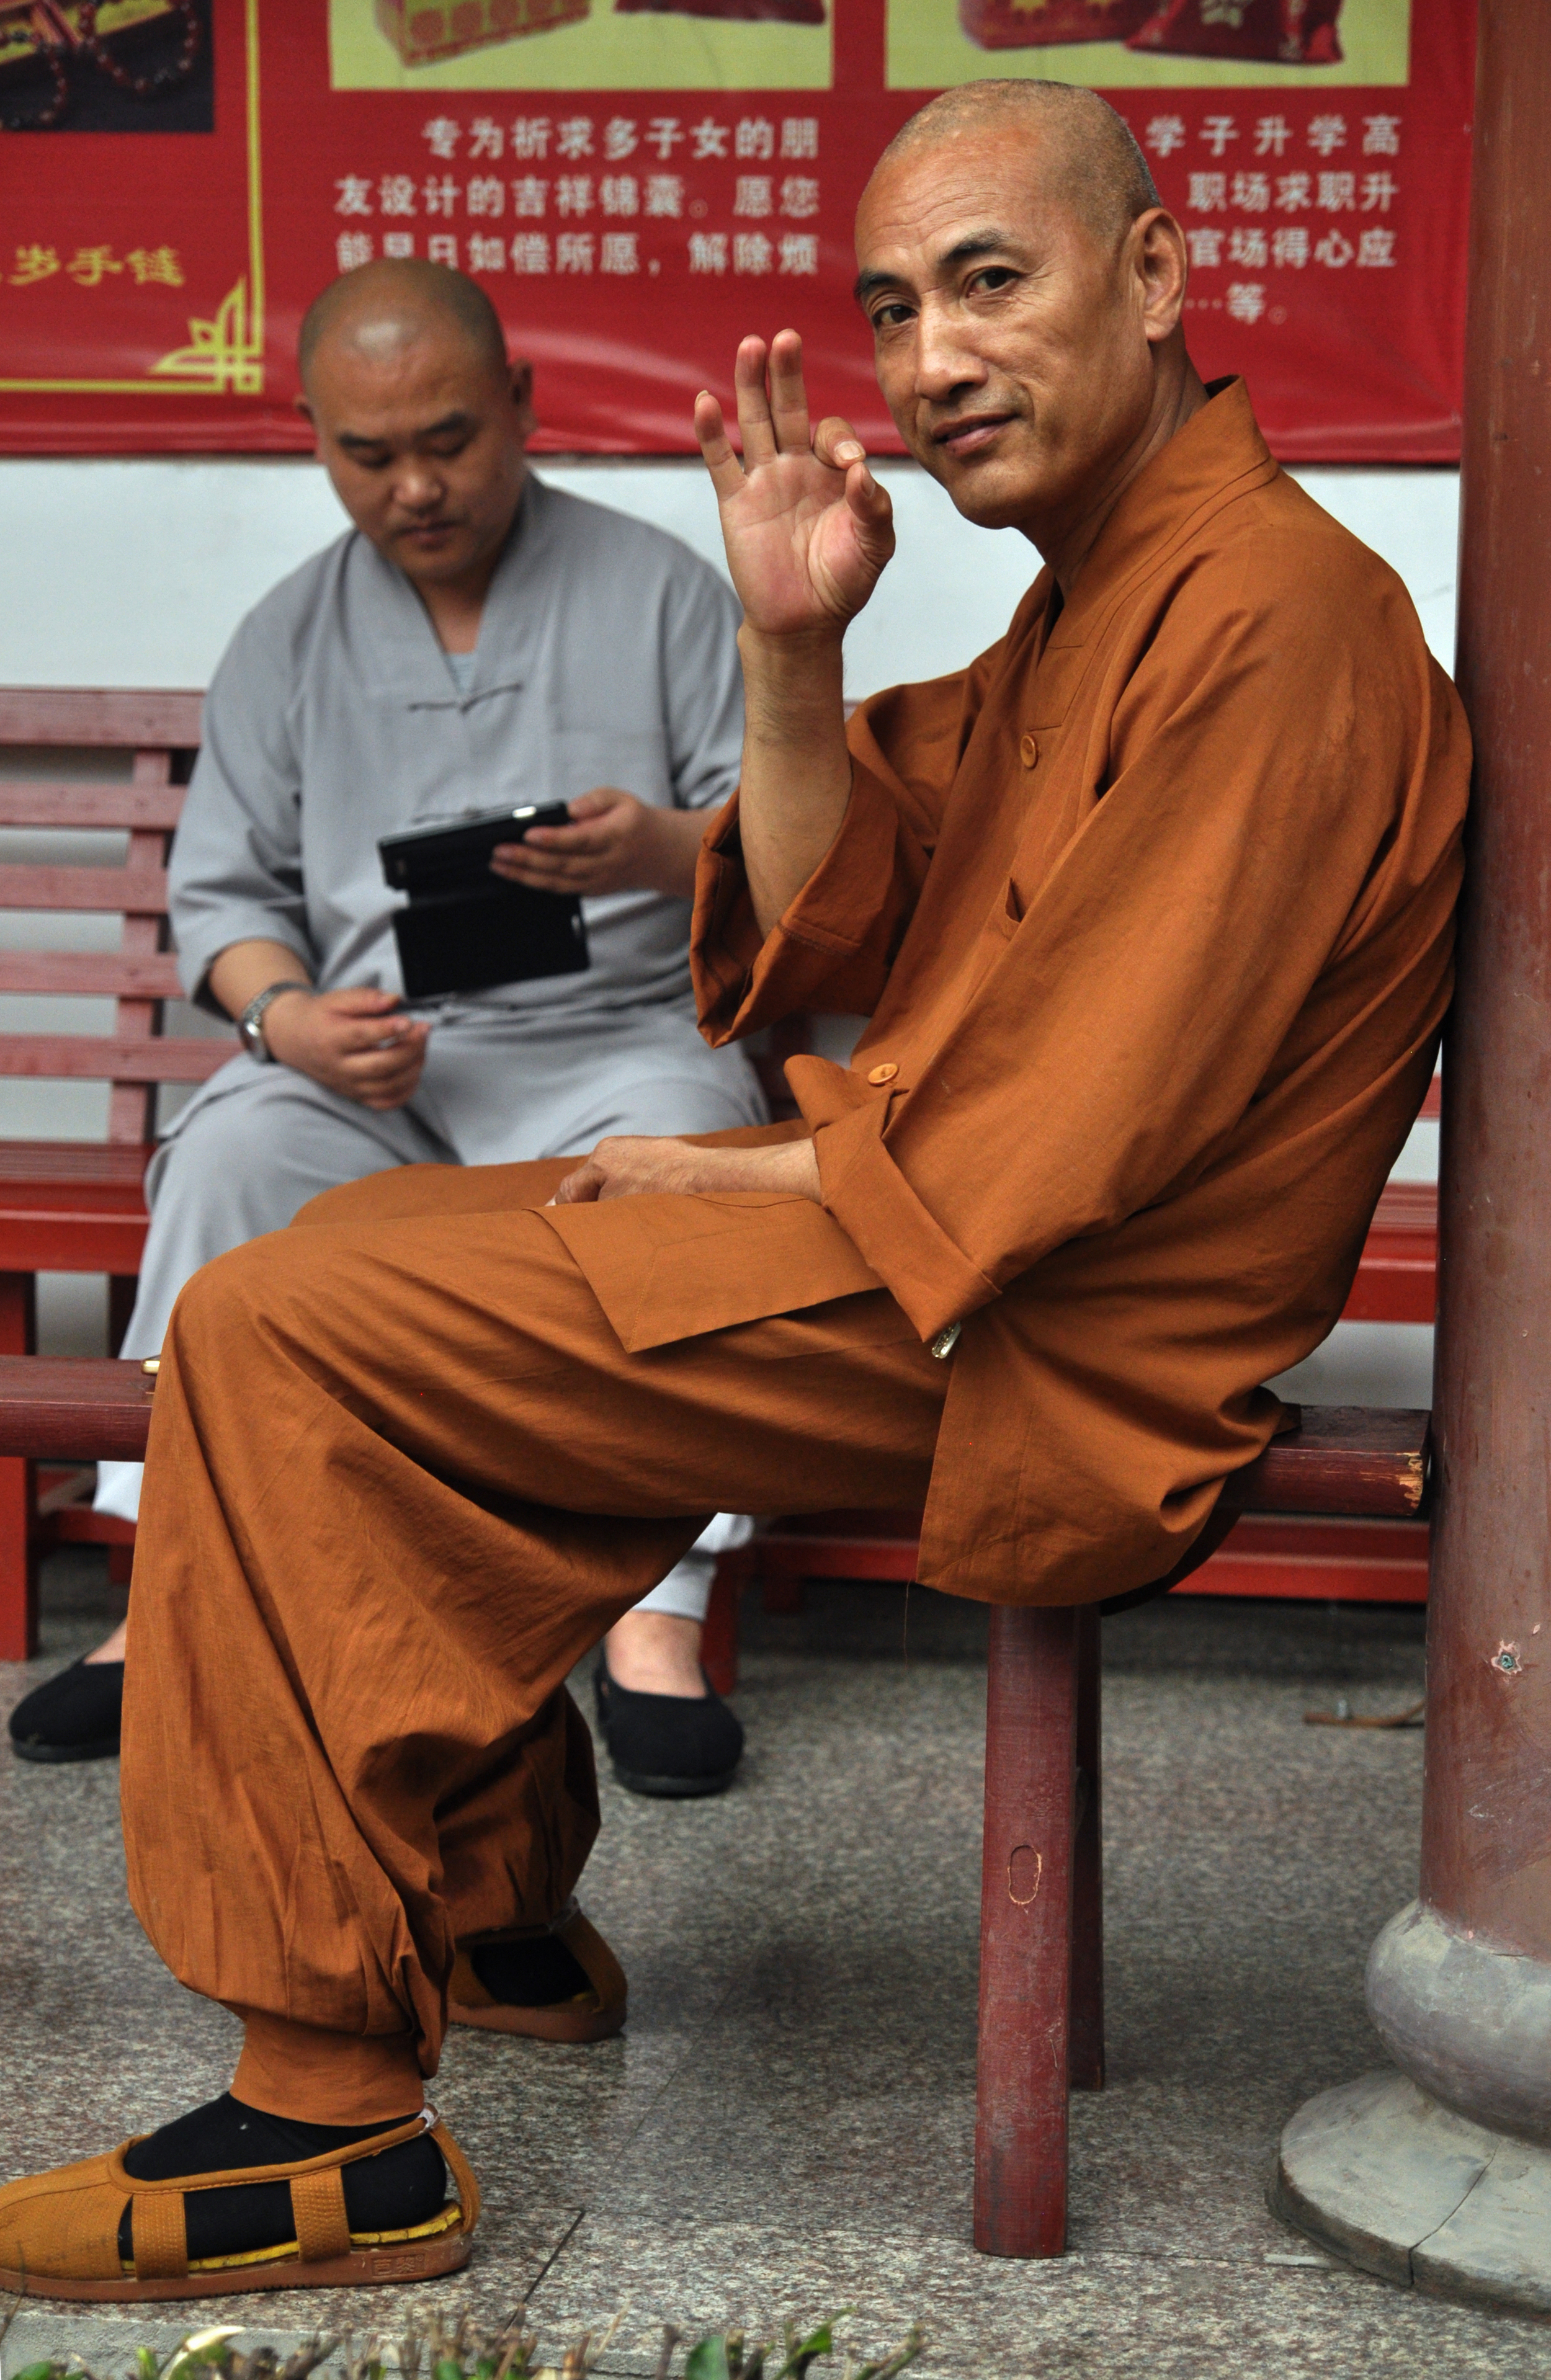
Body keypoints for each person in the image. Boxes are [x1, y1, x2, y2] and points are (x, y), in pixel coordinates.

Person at [0, 79, 1467, 2301]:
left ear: (1157, 279)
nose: (933, 357)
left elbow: (1058, 1140)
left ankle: (318, 2125)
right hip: (943, 1261)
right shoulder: (1102, 603)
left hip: (1047, 1346)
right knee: (341, 1253)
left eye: (993, 281)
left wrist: (713, 1179)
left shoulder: (1277, 618)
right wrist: (792, 643)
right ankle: (490, 1908)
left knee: (299, 1323)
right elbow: (836, 905)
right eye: (896, 307)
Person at [7, 259, 762, 1796]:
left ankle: (656, 1608)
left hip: (609, 1035)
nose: (415, 485)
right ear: (314, 439)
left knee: (693, 1153)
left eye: (450, 438)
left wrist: (656, 851)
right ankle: (168, 1594)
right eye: (369, 454)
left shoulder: (663, 589)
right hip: (377, 1064)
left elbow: (790, 848)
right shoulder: (286, 637)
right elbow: (218, 900)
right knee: (228, 1155)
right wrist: (286, 1017)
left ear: (522, 408)